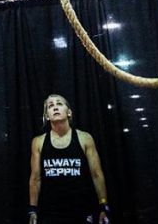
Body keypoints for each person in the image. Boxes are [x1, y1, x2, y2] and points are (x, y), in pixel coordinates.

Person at [29, 94, 111, 224]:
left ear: (69, 112)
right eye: (50, 106)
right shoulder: (38, 142)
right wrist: (33, 210)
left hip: (81, 209)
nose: (55, 107)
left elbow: (96, 174)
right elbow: (35, 178)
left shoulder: (85, 138)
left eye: (59, 104)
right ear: (47, 116)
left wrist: (103, 205)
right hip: (50, 211)